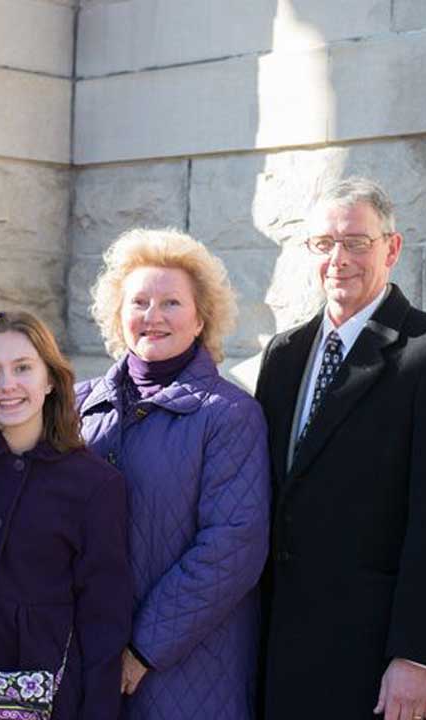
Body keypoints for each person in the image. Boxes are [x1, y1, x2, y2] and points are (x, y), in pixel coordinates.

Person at [256, 177, 426, 720]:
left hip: (376, 661)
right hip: (279, 650)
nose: (339, 258)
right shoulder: (285, 354)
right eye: (324, 244)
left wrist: (419, 655)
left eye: (357, 242)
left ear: (392, 247)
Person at [76, 228, 271, 720]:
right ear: (118, 314)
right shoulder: (74, 404)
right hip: (84, 660)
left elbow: (233, 546)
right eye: (139, 301)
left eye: (171, 303)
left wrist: (143, 648)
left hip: (185, 671)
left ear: (201, 317)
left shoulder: (230, 415)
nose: (153, 316)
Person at [0, 310, 131, 720]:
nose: (7, 385)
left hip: (52, 699)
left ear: (50, 380)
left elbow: (104, 621)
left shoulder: (95, 485)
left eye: (23, 368)